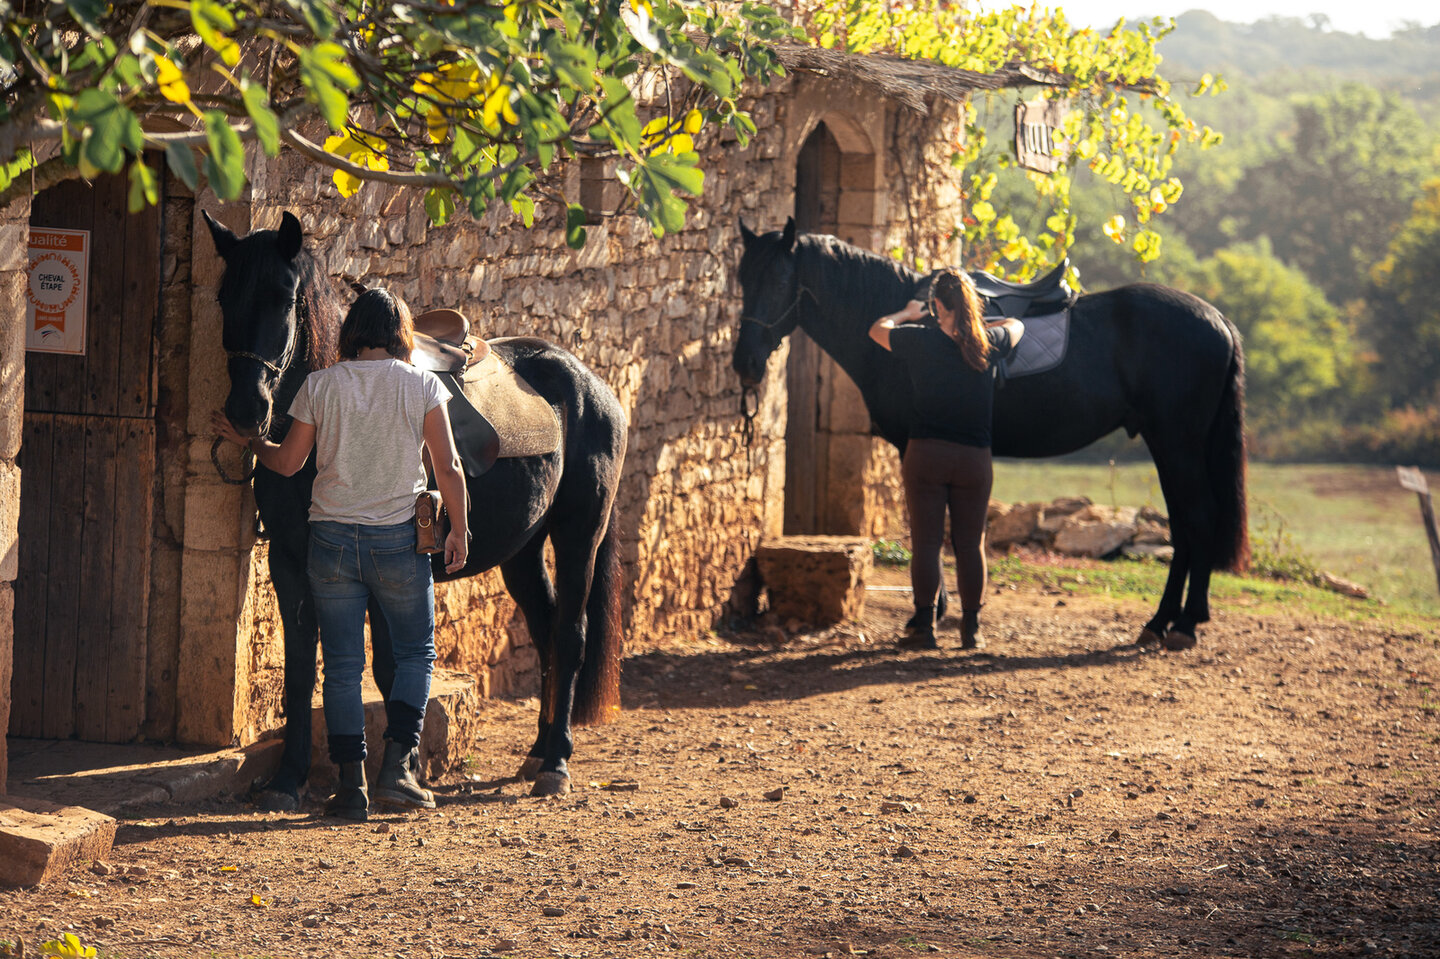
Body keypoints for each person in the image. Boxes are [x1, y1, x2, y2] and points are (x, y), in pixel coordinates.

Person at [213, 288, 469, 820]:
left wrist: (248, 442)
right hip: (398, 540)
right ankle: (397, 768)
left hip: (330, 542)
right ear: (400, 333)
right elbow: (449, 468)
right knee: (416, 653)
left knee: (343, 667)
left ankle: (351, 785)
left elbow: (286, 464)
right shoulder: (422, 384)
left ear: (352, 331)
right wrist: (458, 528)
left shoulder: (320, 385)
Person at [868, 270, 1024, 651]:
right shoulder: (989, 344)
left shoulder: (918, 341)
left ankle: (924, 627)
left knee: (926, 542)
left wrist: (907, 312)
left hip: (926, 455)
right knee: (971, 543)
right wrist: (982, 323)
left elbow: (876, 329)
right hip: (974, 460)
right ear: (970, 305)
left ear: (937, 305)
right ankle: (971, 630)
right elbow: (1018, 325)